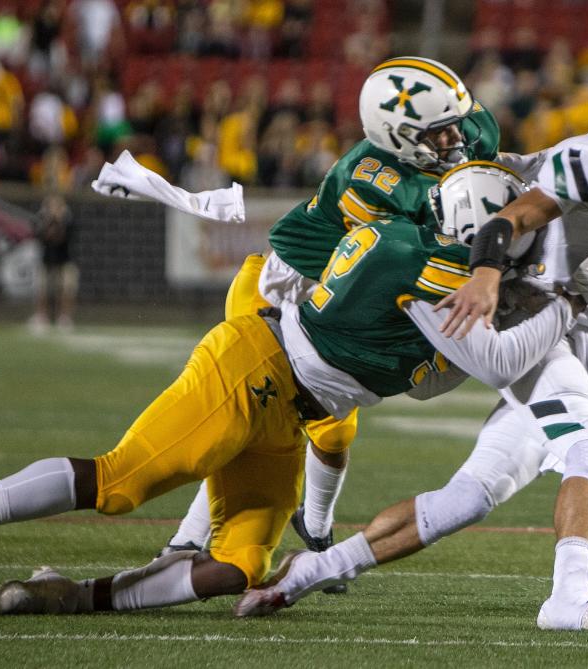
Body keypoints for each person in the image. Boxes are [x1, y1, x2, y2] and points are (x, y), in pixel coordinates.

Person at [0, 163, 588, 615]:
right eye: (508, 239)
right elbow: (482, 363)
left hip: (296, 406)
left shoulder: (435, 255)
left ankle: (73, 593)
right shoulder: (421, 269)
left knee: (239, 568)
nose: (518, 252)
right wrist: (566, 299)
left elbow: (444, 372)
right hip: (257, 370)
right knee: (119, 483)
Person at [233, 54, 588, 633]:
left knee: (471, 496)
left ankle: (311, 571)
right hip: (548, 323)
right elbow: (511, 219)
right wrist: (489, 274)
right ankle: (569, 600)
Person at [160, 57, 544, 572]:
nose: (458, 135)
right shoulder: (370, 184)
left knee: (336, 432)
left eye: (456, 120)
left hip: (356, 287)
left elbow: (486, 180)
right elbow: (397, 263)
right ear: (397, 136)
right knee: (255, 422)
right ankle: (186, 542)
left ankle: (315, 529)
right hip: (294, 288)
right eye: (439, 131)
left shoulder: (471, 128)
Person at [28, 194, 78, 333]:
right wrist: (50, 221)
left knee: (67, 289)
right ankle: (41, 316)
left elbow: (63, 238)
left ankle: (65, 317)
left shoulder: (68, 219)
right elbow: (43, 237)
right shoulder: (42, 219)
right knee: (42, 289)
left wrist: (58, 221)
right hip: (46, 260)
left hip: (64, 260)